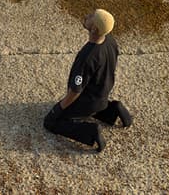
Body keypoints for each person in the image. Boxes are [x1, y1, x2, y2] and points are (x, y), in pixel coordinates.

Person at [43, 9, 132, 152]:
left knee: (51, 123)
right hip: (102, 96)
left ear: (94, 29)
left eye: (91, 16)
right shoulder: (110, 40)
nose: (87, 16)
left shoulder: (87, 56)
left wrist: (59, 108)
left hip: (88, 103)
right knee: (95, 106)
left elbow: (75, 91)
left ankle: (90, 132)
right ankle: (113, 110)